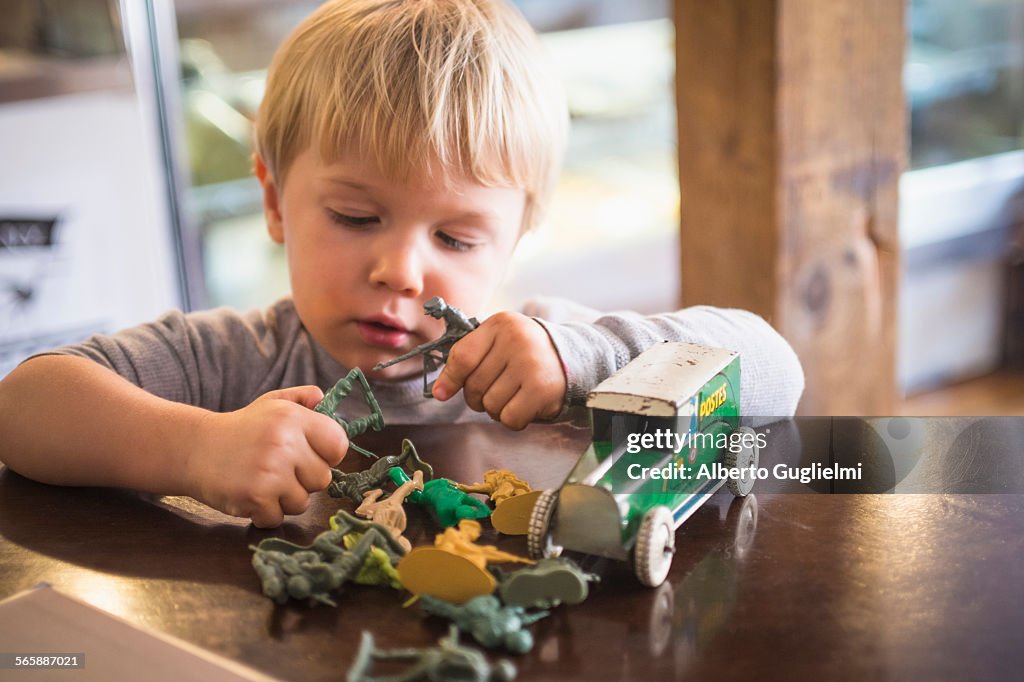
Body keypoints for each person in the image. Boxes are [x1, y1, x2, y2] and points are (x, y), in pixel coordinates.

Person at [0, 0, 803, 528]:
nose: (401, 271)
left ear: (518, 236)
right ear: (275, 201)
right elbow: (24, 407)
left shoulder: (552, 357)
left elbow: (776, 372)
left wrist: (585, 361)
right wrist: (192, 448)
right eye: (355, 217)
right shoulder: (239, 360)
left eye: (455, 239)